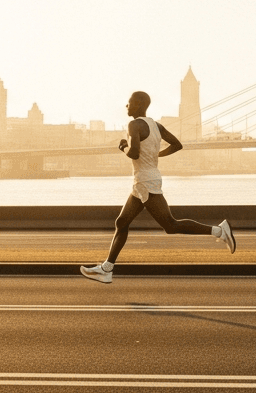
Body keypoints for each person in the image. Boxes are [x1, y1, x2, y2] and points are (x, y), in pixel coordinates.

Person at [80, 91, 236, 283]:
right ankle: (107, 269)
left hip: (145, 181)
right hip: (145, 179)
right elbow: (177, 145)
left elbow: (134, 153)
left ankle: (220, 231)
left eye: (129, 103)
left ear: (138, 104)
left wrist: (123, 148)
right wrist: (156, 155)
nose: (126, 107)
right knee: (121, 223)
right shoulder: (157, 125)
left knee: (170, 225)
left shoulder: (134, 125)